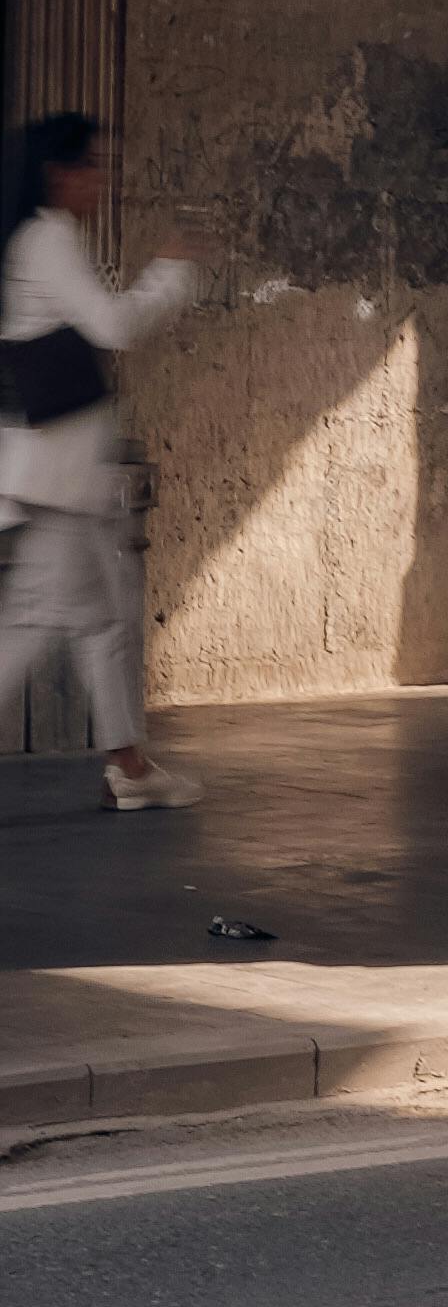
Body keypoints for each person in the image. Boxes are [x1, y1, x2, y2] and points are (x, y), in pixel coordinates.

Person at [0, 106, 202, 810]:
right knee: (29, 628)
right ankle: (131, 770)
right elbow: (112, 324)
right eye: (92, 164)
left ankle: (131, 767)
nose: (101, 179)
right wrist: (169, 276)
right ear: (60, 173)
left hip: (65, 476)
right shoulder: (49, 239)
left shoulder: (40, 238)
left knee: (102, 621)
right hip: (58, 477)